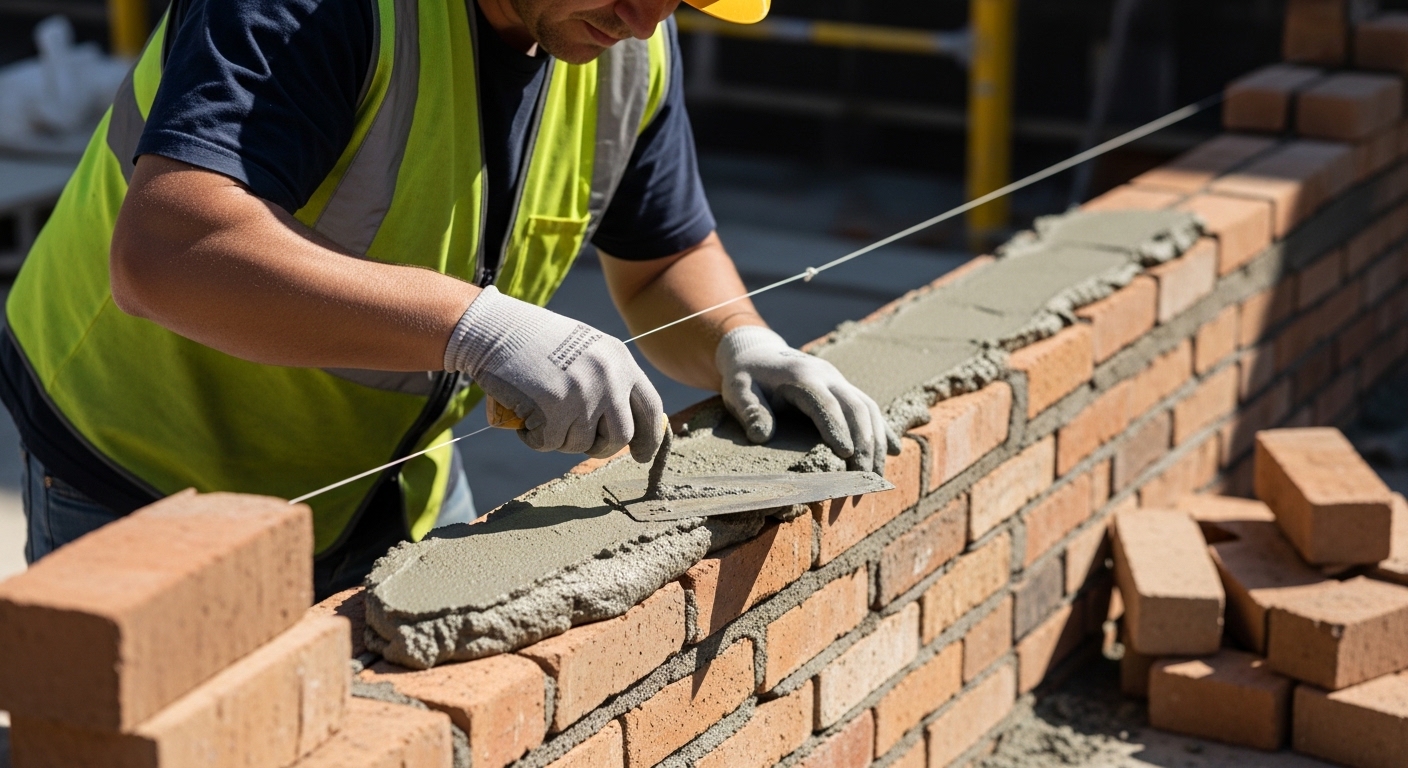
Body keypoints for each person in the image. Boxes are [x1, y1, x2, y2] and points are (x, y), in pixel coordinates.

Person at [1, 0, 896, 597]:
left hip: (392, 478)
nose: (649, 17)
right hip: (148, 465)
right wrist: (475, 327)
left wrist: (743, 340)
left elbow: (661, 259)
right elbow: (169, 252)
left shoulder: (626, 44)